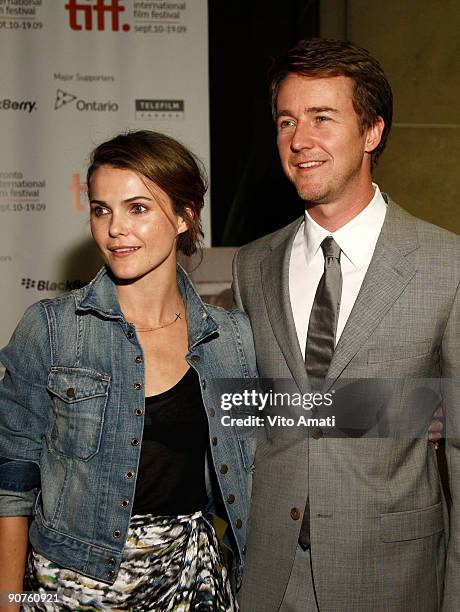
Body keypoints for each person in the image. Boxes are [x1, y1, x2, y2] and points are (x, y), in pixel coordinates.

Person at [233, 38, 459, 611]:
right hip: (270, 576)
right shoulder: (252, 264)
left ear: (372, 132)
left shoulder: (445, 263)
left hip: (395, 577)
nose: (299, 140)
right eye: (287, 121)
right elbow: (248, 411)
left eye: (322, 119)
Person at [0, 130, 257, 611]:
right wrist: (8, 600)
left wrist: (418, 411)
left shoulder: (232, 337)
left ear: (185, 216)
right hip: (74, 587)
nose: (115, 228)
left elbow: (283, 430)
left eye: (137, 208)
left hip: (192, 580)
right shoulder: (52, 329)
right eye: (102, 209)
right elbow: (12, 481)